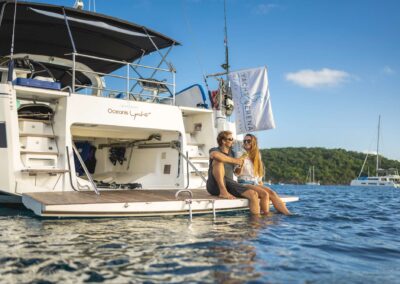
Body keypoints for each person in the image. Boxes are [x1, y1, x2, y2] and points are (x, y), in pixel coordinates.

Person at [206, 131, 270, 215]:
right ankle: (223, 191)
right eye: (230, 139)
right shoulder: (215, 150)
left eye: (233, 139)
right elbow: (214, 155)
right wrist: (236, 161)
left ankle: (256, 223)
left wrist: (240, 164)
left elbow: (237, 173)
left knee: (253, 194)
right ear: (223, 141)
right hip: (215, 185)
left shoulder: (232, 153)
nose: (233, 141)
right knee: (218, 161)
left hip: (229, 183)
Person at [235, 133, 291, 215]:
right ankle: (266, 216)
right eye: (245, 141)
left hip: (255, 183)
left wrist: (261, 184)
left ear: (254, 142)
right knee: (264, 194)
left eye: (249, 141)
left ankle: (288, 214)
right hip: (243, 183)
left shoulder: (257, 155)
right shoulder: (239, 154)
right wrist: (241, 162)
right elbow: (236, 174)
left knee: (272, 193)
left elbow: (258, 174)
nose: (246, 142)